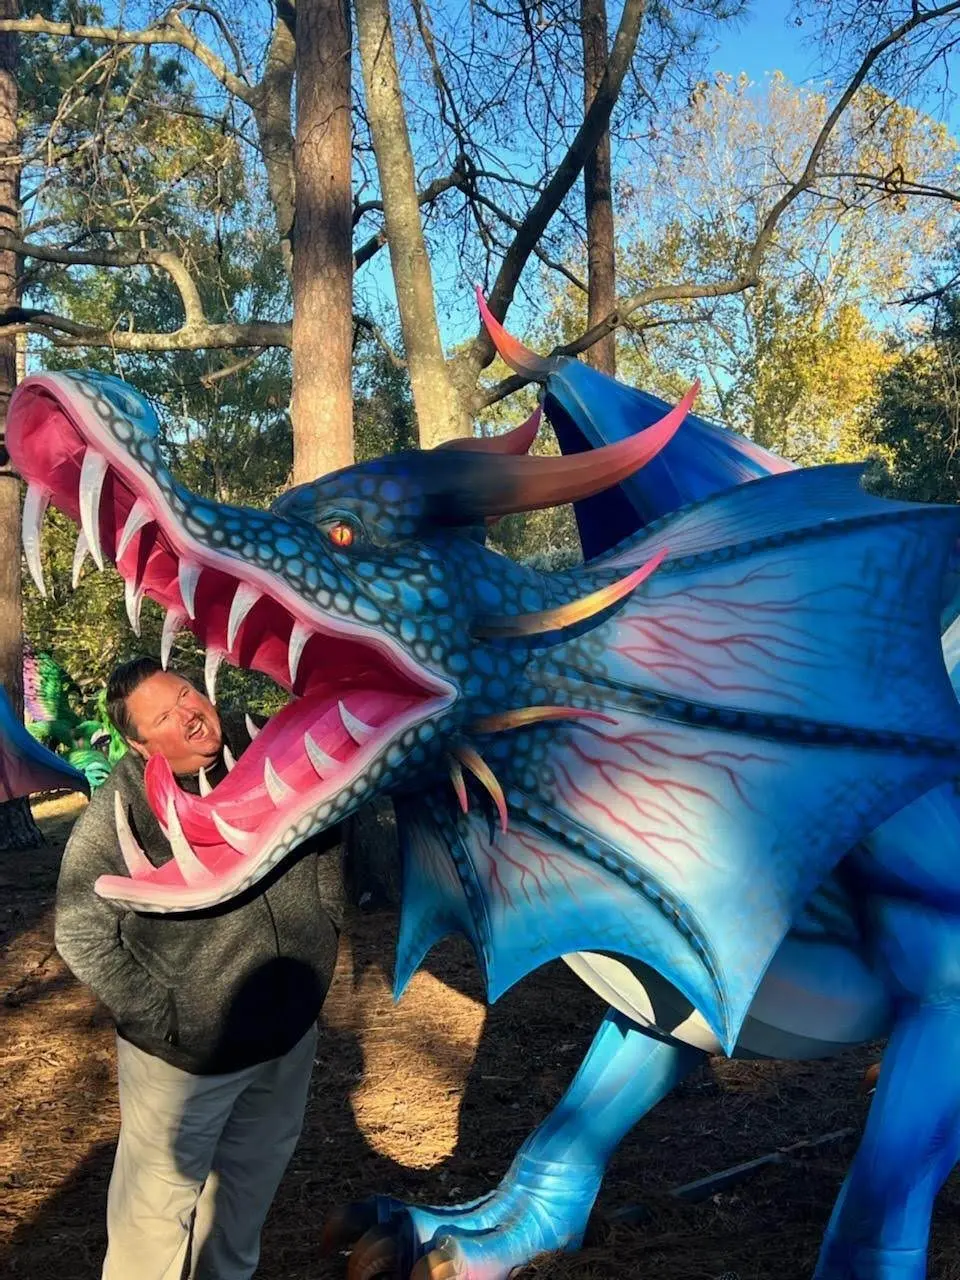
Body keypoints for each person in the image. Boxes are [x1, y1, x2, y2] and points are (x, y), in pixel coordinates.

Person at [54, 656, 343, 1280]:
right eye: (163, 716)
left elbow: (326, 821)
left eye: (186, 694)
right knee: (154, 1220)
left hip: (286, 1037)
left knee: (244, 1199)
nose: (188, 714)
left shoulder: (263, 745)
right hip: (185, 1064)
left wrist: (327, 920)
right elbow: (79, 931)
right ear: (138, 744)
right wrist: (169, 1016)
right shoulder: (120, 812)